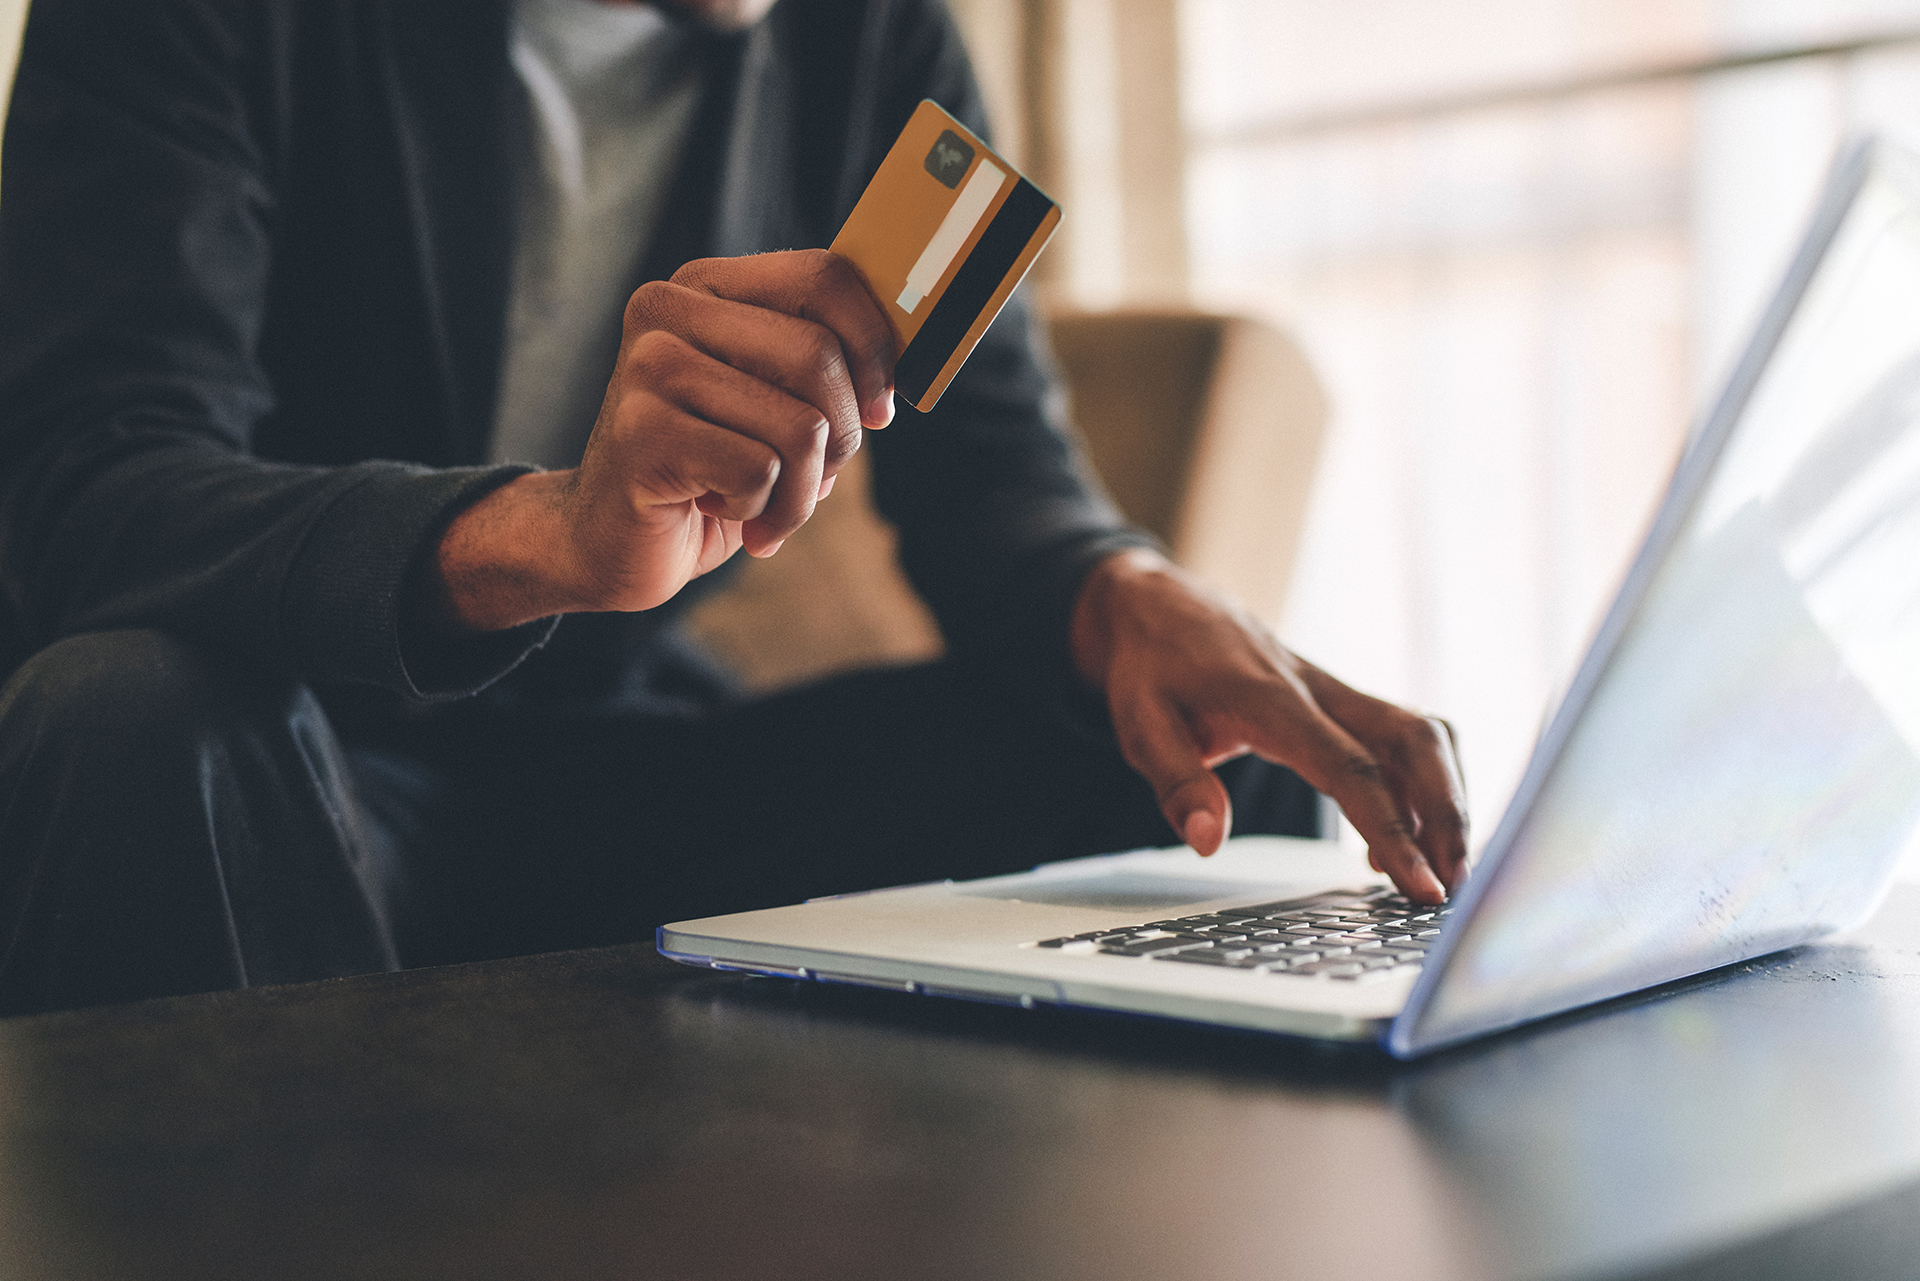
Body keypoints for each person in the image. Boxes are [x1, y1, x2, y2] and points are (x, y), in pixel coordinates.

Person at [0, 0, 1468, 1017]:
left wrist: (1122, 588)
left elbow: (997, 488)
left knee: (1201, 775)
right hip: (297, 769)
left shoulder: (877, 36)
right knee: (128, 715)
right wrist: (547, 535)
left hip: (628, 773)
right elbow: (91, 483)